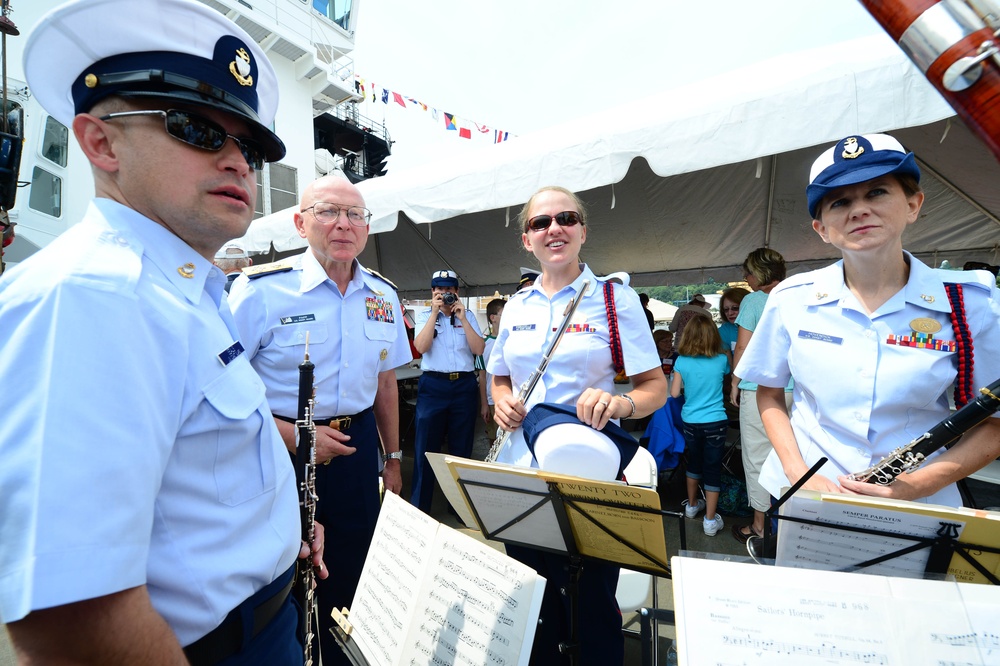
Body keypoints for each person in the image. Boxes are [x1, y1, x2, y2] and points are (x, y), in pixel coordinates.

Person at [0, 1, 326, 663]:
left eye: (250, 145)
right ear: (101, 142)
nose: (238, 161)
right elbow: (72, 617)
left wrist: (275, 532)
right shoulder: (93, 297)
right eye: (199, 130)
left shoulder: (183, 289)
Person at [736, 133, 1000, 510]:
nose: (859, 210)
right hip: (810, 494)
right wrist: (799, 474)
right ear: (822, 229)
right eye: (840, 201)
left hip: (919, 503)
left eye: (877, 192)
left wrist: (917, 485)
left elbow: (994, 424)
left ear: (913, 204)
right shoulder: (791, 298)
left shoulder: (972, 302)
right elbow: (769, 392)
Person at [229, 173, 410, 664]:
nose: (343, 224)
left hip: (354, 456)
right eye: (328, 211)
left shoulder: (382, 295)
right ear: (300, 222)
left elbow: (386, 382)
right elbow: (219, 385)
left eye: (355, 214)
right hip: (277, 451)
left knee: (351, 568)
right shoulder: (259, 291)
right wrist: (294, 436)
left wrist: (392, 460)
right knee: (280, 574)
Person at [489, 185, 667, 666]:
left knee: (592, 610)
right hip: (521, 470)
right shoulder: (516, 306)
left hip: (589, 473)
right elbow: (499, 376)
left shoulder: (615, 300)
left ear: (583, 231)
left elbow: (655, 387)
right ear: (527, 240)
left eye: (565, 218)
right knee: (533, 604)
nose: (554, 229)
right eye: (540, 222)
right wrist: (501, 401)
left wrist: (619, 403)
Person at [410, 269, 485, 512]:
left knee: (461, 449)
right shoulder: (424, 316)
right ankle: (421, 507)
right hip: (434, 385)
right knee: (425, 449)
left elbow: (479, 350)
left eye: (449, 289)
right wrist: (434, 314)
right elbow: (421, 347)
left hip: (463, 386)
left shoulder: (469, 316)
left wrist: (463, 319)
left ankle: (461, 509)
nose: (445, 294)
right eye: (440, 290)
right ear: (432, 292)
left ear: (457, 292)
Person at [729, 247, 790, 543]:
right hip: (794, 390)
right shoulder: (794, 295)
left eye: (748, 273)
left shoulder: (754, 300)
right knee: (790, 456)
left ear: (760, 273)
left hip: (759, 390)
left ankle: (760, 526)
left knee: (757, 458)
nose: (746, 279)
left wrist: (734, 381)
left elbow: (743, 348)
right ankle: (788, 524)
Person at [671, 316, 731, 536]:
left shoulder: (682, 361)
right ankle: (709, 521)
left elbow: (674, 393)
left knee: (694, 462)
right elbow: (727, 376)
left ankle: (692, 505)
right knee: (712, 467)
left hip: (691, 420)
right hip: (716, 420)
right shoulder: (721, 360)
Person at [476, 297, 506, 444]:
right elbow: (482, 376)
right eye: (504, 314)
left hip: (511, 399)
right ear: (493, 318)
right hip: (492, 401)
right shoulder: (483, 345)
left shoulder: (513, 341)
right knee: (494, 442)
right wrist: (484, 404)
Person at [717, 286, 750, 354]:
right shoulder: (722, 332)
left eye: (735, 308)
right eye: (726, 310)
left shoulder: (762, 326)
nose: (730, 313)